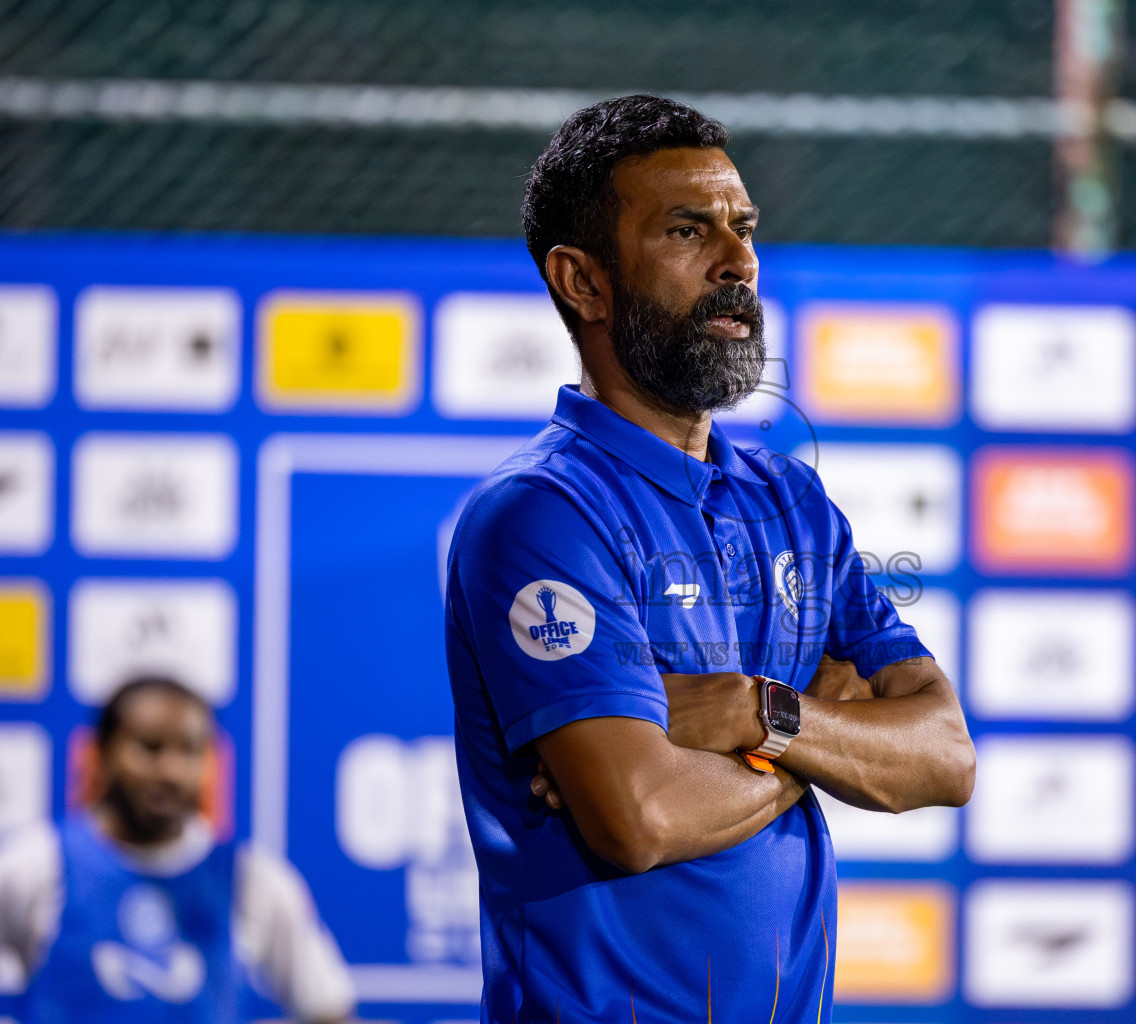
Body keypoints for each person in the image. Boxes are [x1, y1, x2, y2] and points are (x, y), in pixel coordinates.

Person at [444, 94, 975, 1022]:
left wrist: (749, 712)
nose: (739, 264)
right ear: (584, 282)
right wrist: (829, 732)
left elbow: (944, 756)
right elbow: (639, 817)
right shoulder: (541, 513)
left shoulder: (790, 499)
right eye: (690, 232)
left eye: (745, 228)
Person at [0, 676, 356, 1023]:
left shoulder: (250, 879)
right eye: (149, 748)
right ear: (104, 754)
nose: (170, 771)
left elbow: (326, 1010)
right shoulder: (37, 865)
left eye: (189, 750)